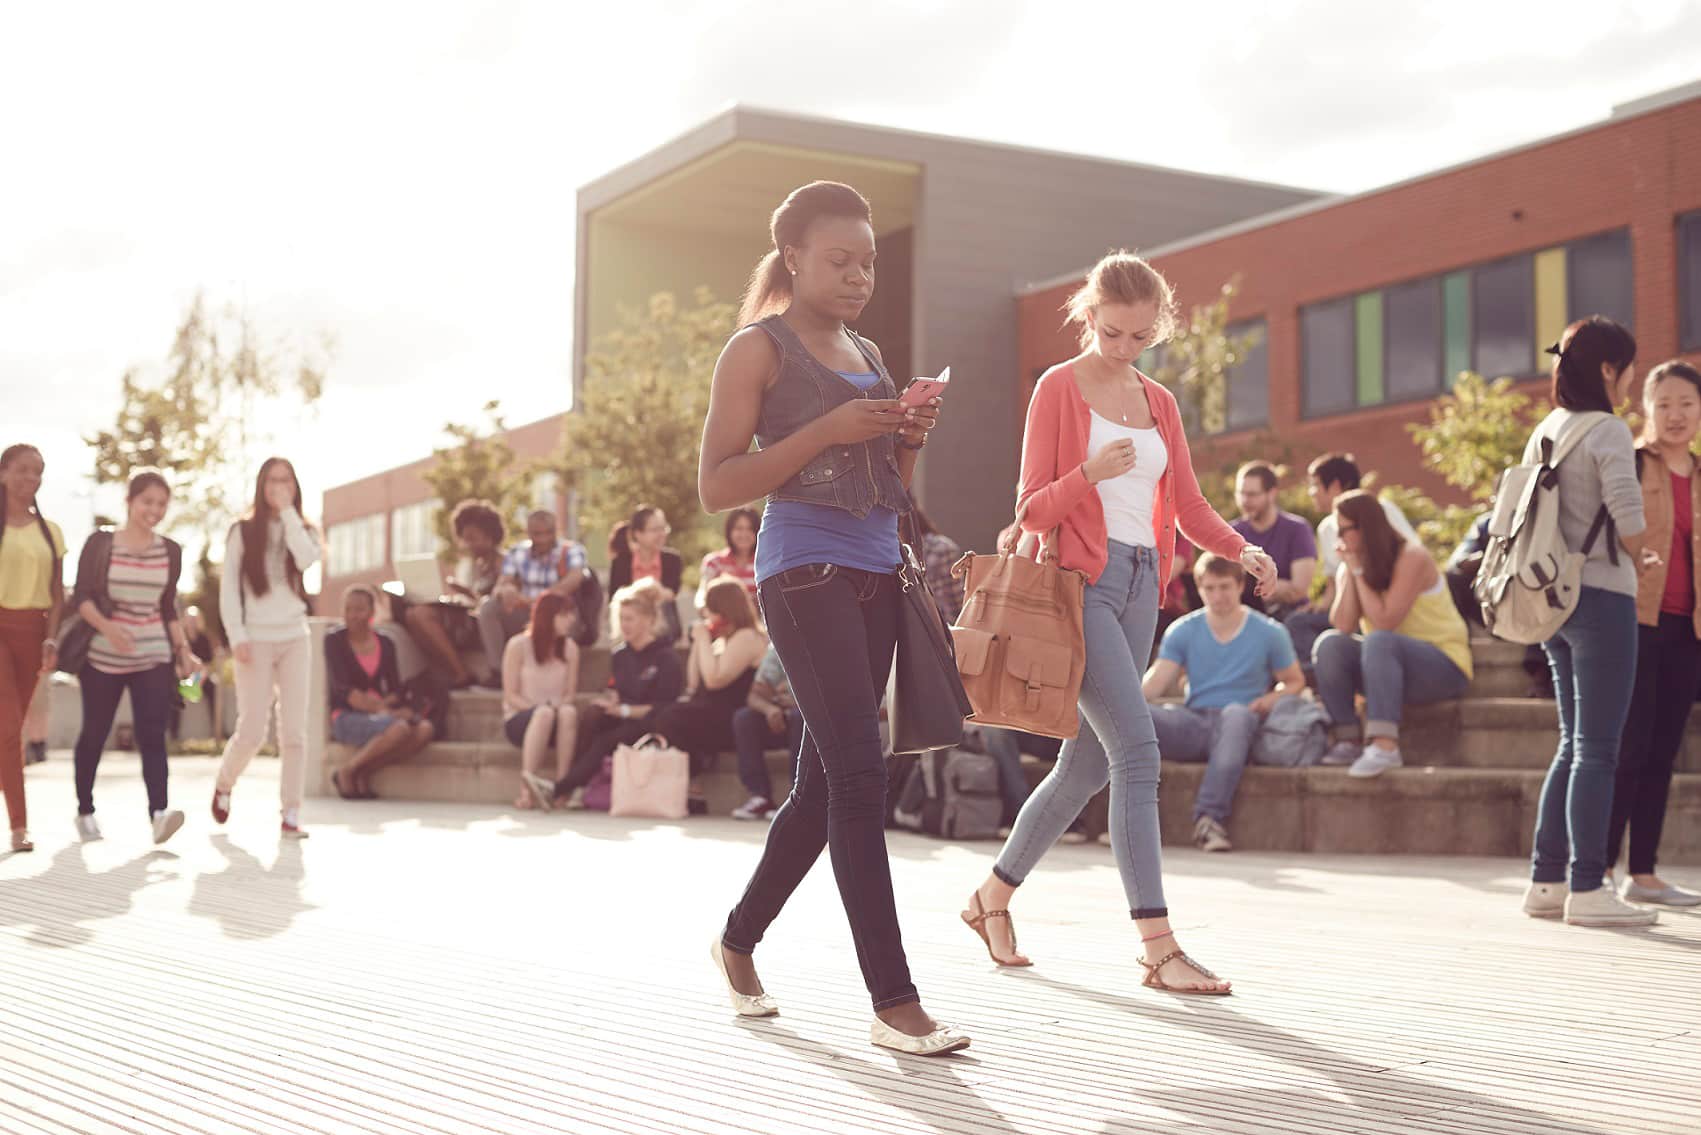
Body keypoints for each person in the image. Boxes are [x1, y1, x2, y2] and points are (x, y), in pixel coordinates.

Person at [698, 180, 966, 1054]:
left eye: (868, 261)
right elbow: (717, 486)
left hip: (876, 571)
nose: (857, 276)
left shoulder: (868, 349)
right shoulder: (755, 349)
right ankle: (895, 1001)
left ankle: (736, 943)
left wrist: (908, 432)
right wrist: (828, 428)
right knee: (857, 777)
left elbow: (885, 482)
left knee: (829, 785)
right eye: (839, 260)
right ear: (794, 259)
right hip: (801, 573)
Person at [963, 250, 1276, 994]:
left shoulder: (1159, 400)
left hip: (1143, 585)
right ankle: (1158, 947)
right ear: (1088, 315)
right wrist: (1091, 474)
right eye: (1111, 333)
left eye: (1139, 337)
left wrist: (1240, 547)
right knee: (1136, 751)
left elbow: (1189, 505)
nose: (1124, 348)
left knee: (1087, 763)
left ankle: (991, 898)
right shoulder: (1057, 389)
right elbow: (1030, 508)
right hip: (1083, 585)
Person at [1515, 318, 1657, 928]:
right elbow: (1629, 517)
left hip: (1551, 601)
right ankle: (1588, 888)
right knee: (1599, 747)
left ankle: (1546, 881)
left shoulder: (1546, 430)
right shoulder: (1608, 431)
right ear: (1607, 370)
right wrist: (1646, 553)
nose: (1628, 379)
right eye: (1626, 368)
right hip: (1600, 596)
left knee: (1573, 744)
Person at [1606, 360, 1701, 907]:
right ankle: (1596, 870)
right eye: (1663, 403)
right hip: (1636, 621)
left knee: (1664, 751)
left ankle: (1643, 874)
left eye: (1686, 403)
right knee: (1629, 749)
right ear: (1644, 407)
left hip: (1688, 630)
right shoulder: (1634, 463)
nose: (1674, 415)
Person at [1143, 553, 1306, 853]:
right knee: (1135, 719)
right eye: (1210, 588)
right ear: (1200, 589)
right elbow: (1154, 684)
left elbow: (1295, 682)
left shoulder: (1270, 631)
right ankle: (1125, 822)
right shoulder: (1182, 629)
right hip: (1193, 722)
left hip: (1241, 722)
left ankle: (1209, 820)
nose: (1218, 596)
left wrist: (1269, 699)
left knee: (1235, 715)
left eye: (1225, 587)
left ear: (1241, 585)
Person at [69, 470, 195, 844]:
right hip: (103, 655)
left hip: (153, 652)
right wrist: (109, 629)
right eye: (147, 502)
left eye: (161, 504)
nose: (154, 511)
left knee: (152, 733)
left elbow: (167, 606)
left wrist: (183, 649)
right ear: (129, 501)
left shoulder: (170, 550)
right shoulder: (101, 543)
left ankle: (159, 813)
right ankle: (85, 810)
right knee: (95, 731)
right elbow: (83, 597)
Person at [1312, 491, 1472, 776]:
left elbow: (1385, 621)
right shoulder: (1353, 564)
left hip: (1443, 666)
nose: (1337, 538)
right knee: (1330, 645)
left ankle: (1385, 746)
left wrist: (1358, 572)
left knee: (1379, 639)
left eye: (1342, 530)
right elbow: (1343, 625)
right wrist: (1351, 572)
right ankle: (1348, 739)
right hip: (1387, 670)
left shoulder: (1412, 556)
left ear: (1364, 528)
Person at [213, 457, 322, 838]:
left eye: (286, 481)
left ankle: (291, 811)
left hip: (294, 635)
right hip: (254, 638)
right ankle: (224, 784)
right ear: (261, 485)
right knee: (252, 730)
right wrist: (237, 636)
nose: (279, 487)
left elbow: (308, 560)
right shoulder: (241, 531)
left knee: (294, 731)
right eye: (273, 481)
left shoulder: (302, 528)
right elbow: (228, 588)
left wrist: (289, 513)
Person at [550, 579, 684, 806]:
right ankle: (575, 786)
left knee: (607, 741)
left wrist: (622, 710)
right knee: (592, 714)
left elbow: (664, 708)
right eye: (621, 619)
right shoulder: (620, 655)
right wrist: (610, 701)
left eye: (630, 619)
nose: (624, 625)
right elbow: (618, 688)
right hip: (622, 715)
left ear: (649, 620)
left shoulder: (666, 658)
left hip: (649, 723)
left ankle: (560, 789)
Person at [1287, 453, 1419, 673]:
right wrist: (1318, 605)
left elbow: (1409, 556)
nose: (1311, 493)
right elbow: (1333, 583)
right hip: (1349, 604)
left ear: (1336, 486)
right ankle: (1318, 672)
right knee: (1297, 622)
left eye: (1315, 485)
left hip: (1384, 606)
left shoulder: (1380, 510)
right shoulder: (1326, 528)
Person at [0, 444, 66, 852]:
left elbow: (59, 595)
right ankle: (19, 826)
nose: (32, 478)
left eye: (38, 472)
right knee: (8, 727)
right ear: (4, 473)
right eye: (23, 470)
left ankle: (19, 824)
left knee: (10, 731)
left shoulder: (51, 532)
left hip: (33, 633)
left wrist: (51, 637)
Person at [653, 577, 767, 794]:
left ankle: (696, 770)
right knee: (663, 715)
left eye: (710, 611)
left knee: (669, 717)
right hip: (710, 712)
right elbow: (695, 681)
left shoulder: (748, 637)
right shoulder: (722, 639)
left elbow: (715, 680)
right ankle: (696, 770)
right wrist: (699, 643)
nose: (706, 616)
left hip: (731, 718)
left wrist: (704, 640)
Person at [325, 584, 435, 800]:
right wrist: (385, 711)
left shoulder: (385, 643)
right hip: (346, 716)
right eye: (348, 609)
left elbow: (395, 689)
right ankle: (346, 771)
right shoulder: (334, 641)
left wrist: (392, 707)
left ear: (372, 612)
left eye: (359, 609)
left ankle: (364, 770)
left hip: (382, 715)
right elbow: (344, 691)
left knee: (424, 729)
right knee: (400, 728)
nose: (353, 615)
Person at [402, 499, 507, 689]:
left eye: (472, 538)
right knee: (412, 614)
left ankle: (462, 674)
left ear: (490, 536)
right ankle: (450, 672)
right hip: (472, 619)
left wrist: (469, 595)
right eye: (464, 538)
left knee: (422, 614)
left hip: (492, 629)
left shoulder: (505, 563)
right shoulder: (474, 566)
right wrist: (459, 597)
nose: (467, 544)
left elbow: (496, 605)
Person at [478, 510, 587, 677]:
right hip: (525, 612)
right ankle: (499, 672)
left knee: (560, 617)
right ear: (528, 532)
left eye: (548, 533)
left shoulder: (572, 551)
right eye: (537, 533)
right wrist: (505, 590)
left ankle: (556, 673)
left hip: (559, 613)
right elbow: (502, 583)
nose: (543, 539)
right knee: (488, 608)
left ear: (555, 531)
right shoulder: (517, 552)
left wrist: (539, 600)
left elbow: (574, 579)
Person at [500, 592, 580, 811]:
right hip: (521, 717)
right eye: (565, 615)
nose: (571, 619)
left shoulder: (571, 648)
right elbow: (510, 696)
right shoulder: (517, 646)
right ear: (548, 616)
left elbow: (570, 694)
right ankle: (527, 791)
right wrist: (540, 709)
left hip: (556, 716)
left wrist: (557, 707)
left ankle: (561, 789)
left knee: (568, 712)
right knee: (543, 714)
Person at [1230, 460, 1316, 621]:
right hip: (1244, 617)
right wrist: (1273, 585)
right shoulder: (1231, 532)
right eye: (1241, 493)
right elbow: (1222, 583)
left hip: (1291, 616)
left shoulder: (1297, 529)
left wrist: (1247, 588)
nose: (1245, 501)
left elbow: (1298, 590)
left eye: (1252, 494)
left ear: (1272, 493)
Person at [730, 642, 804, 821]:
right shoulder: (780, 647)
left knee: (799, 717)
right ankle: (759, 796)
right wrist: (769, 709)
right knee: (744, 718)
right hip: (781, 719)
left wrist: (797, 704)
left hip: (811, 720)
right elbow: (754, 695)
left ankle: (799, 797)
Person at [607, 505, 685, 595]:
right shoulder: (620, 562)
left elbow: (671, 593)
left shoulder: (672, 559)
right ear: (638, 533)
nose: (662, 534)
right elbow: (615, 598)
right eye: (655, 529)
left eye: (663, 528)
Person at [697, 508, 760, 606]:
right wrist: (702, 607)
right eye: (739, 528)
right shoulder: (714, 562)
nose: (744, 534)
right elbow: (702, 593)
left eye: (750, 529)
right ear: (729, 531)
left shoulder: (765, 564)